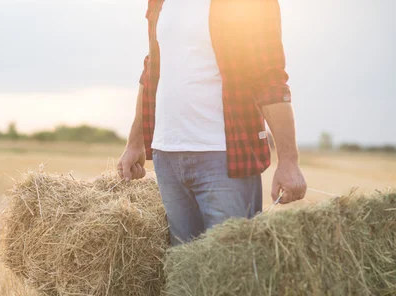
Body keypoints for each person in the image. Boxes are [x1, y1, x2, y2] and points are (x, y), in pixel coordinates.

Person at [117, 0, 307, 246]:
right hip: (168, 156)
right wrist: (135, 142)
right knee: (184, 274)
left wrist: (289, 160)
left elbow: (270, 80)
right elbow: (153, 67)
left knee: (231, 269)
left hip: (224, 158)